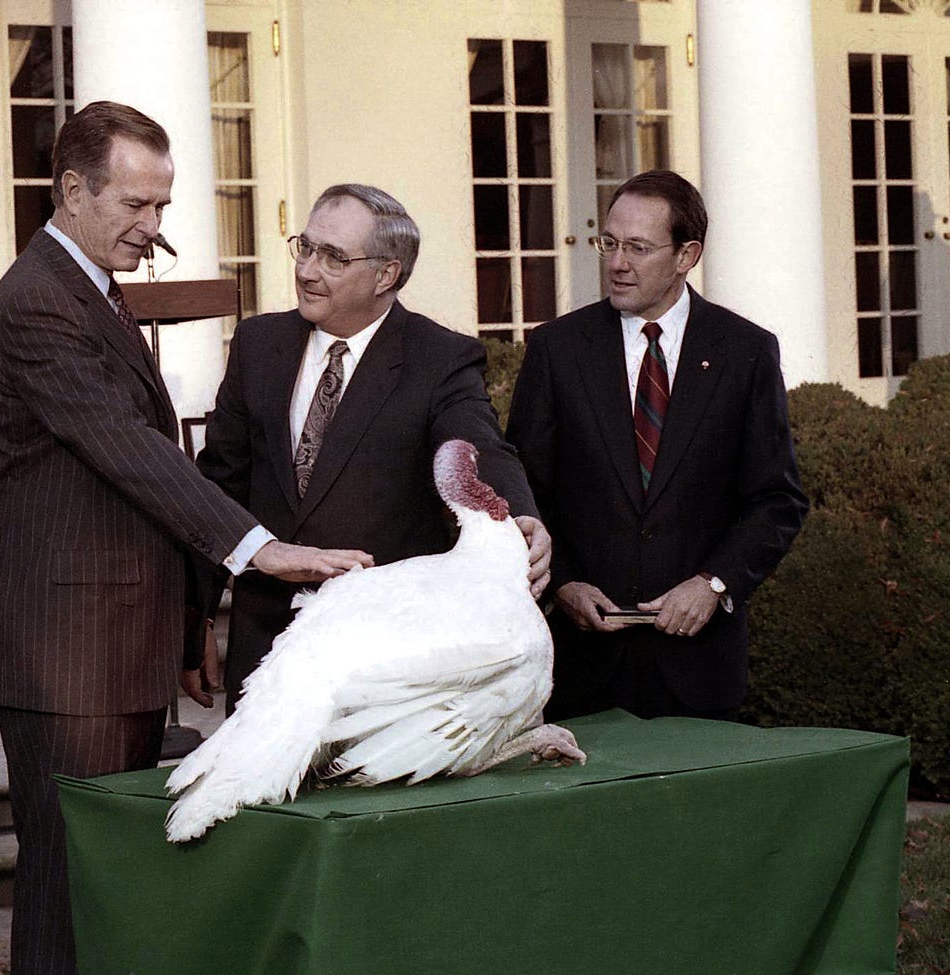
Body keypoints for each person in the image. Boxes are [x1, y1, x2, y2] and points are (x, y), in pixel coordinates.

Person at [0, 100, 371, 975]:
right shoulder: (38, 300)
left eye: (162, 205)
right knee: (68, 885)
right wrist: (254, 548)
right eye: (135, 205)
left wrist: (191, 612)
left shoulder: (89, 288)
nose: (155, 228)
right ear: (73, 190)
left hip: (113, 641)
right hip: (67, 653)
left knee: (108, 883)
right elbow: (128, 450)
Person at [196, 183, 551, 710]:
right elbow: (218, 483)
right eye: (306, 247)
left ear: (386, 274)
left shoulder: (440, 359)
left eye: (334, 257)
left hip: (384, 657)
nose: (308, 270)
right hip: (265, 652)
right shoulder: (257, 345)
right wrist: (197, 615)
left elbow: (479, 447)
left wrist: (516, 516)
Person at [506, 170, 808, 721]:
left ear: (686, 255)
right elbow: (522, 492)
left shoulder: (745, 352)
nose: (617, 262)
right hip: (579, 667)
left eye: (638, 248)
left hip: (700, 668)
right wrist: (563, 583)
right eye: (610, 243)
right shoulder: (557, 349)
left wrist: (714, 584)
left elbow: (776, 501)